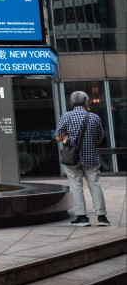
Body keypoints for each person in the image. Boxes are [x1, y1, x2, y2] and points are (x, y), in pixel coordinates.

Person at [55, 91, 108, 227]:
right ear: (86, 102)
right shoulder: (95, 117)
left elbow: (58, 137)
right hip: (91, 157)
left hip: (73, 158)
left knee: (76, 186)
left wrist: (67, 138)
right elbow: (101, 138)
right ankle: (102, 217)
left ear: (72, 103)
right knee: (95, 185)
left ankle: (82, 218)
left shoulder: (66, 116)